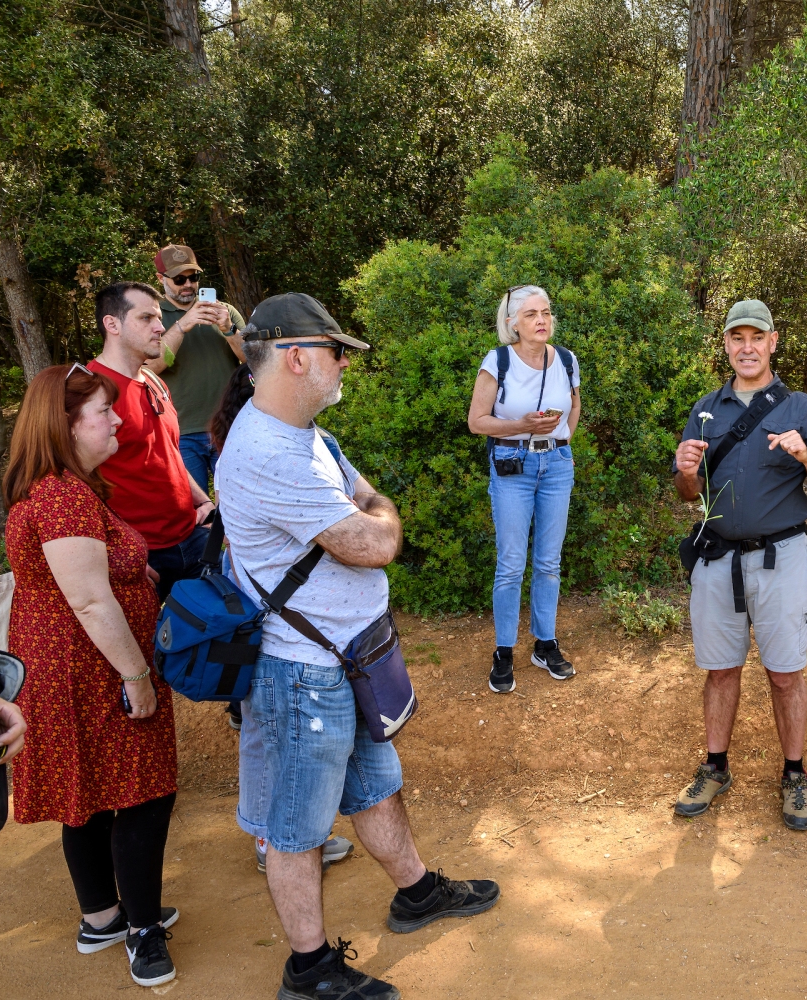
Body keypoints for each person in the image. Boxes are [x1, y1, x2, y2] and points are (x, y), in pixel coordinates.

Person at [216, 293, 499, 1000]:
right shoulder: (267, 451)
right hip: (301, 673)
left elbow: (364, 505)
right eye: (336, 349)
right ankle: (308, 970)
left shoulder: (304, 433)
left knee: (375, 784)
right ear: (296, 356)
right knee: (298, 827)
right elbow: (375, 539)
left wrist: (371, 510)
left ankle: (416, 892)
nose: (345, 362)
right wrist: (381, 515)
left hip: (344, 661)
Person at [2, 364, 181, 987]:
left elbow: (86, 578)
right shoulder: (63, 495)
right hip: (91, 669)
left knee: (87, 796)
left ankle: (102, 916)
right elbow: (90, 601)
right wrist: (137, 676)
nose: (117, 421)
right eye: (103, 413)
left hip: (66, 665)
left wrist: (136, 572)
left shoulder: (57, 489)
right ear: (66, 424)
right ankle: (143, 931)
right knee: (142, 792)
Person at [671, 298, 807, 832]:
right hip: (718, 559)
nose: (746, 347)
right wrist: (684, 471)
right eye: (736, 338)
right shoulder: (706, 407)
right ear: (726, 345)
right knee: (720, 670)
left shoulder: (802, 409)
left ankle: (794, 775)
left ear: (773, 343)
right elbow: (686, 495)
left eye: (756, 337)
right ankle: (715, 766)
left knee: (785, 674)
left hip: (781, 557)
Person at [209, 363, 356, 875]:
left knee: (259, 723)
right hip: (268, 603)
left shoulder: (262, 438)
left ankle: (267, 831)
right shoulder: (258, 448)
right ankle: (275, 837)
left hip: (255, 593)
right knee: (266, 727)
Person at [466, 284, 581, 693]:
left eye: (546, 312)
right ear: (512, 322)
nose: (541, 320)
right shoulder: (497, 362)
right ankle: (504, 650)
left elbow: (574, 405)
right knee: (511, 563)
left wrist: (560, 442)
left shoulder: (566, 359)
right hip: (511, 464)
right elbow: (477, 421)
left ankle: (544, 643)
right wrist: (522, 427)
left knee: (549, 562)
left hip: (557, 466)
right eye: (531, 314)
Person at [88, 282, 216, 601]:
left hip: (193, 538)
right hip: (142, 554)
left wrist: (204, 503)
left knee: (211, 642)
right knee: (147, 647)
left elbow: (168, 454)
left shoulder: (154, 380)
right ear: (112, 324)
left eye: (159, 317)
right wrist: (117, 552)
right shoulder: (89, 392)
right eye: (147, 318)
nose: (160, 326)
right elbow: (75, 483)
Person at [146, 243, 246, 493]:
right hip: (182, 432)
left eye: (194, 277)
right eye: (179, 279)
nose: (188, 284)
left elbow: (254, 360)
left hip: (230, 426)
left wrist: (228, 329)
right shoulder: (152, 317)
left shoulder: (225, 311)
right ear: (161, 279)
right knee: (194, 512)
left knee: (241, 508)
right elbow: (150, 367)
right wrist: (182, 325)